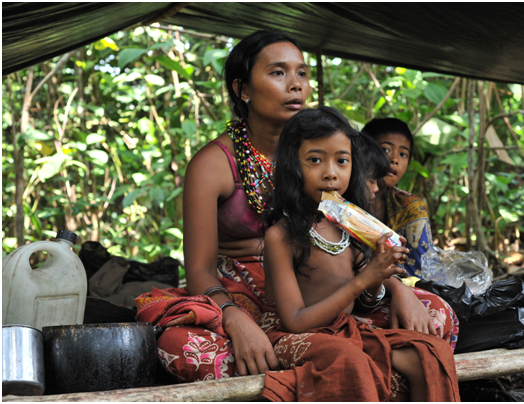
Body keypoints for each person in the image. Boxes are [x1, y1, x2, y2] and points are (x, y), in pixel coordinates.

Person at [136, 30, 310, 382]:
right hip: (236, 291)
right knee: (182, 346)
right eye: (278, 72)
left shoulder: (319, 152)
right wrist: (232, 316)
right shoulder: (212, 164)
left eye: (302, 73)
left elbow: (351, 232)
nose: (296, 85)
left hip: (309, 283)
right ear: (242, 89)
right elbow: (199, 268)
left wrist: (394, 286)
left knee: (435, 313)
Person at [260, 107, 460, 402]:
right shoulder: (281, 236)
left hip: (345, 328)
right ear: (293, 166)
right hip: (294, 334)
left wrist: (380, 278)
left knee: (430, 354)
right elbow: (295, 321)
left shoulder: (351, 224)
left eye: (342, 161)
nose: (330, 172)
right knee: (348, 359)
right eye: (315, 160)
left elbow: (366, 301)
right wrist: (365, 278)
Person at [362, 118, 433, 278]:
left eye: (403, 154)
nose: (394, 159)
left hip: (397, 289)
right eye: (386, 149)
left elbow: (419, 273)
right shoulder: (341, 199)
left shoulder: (410, 207)